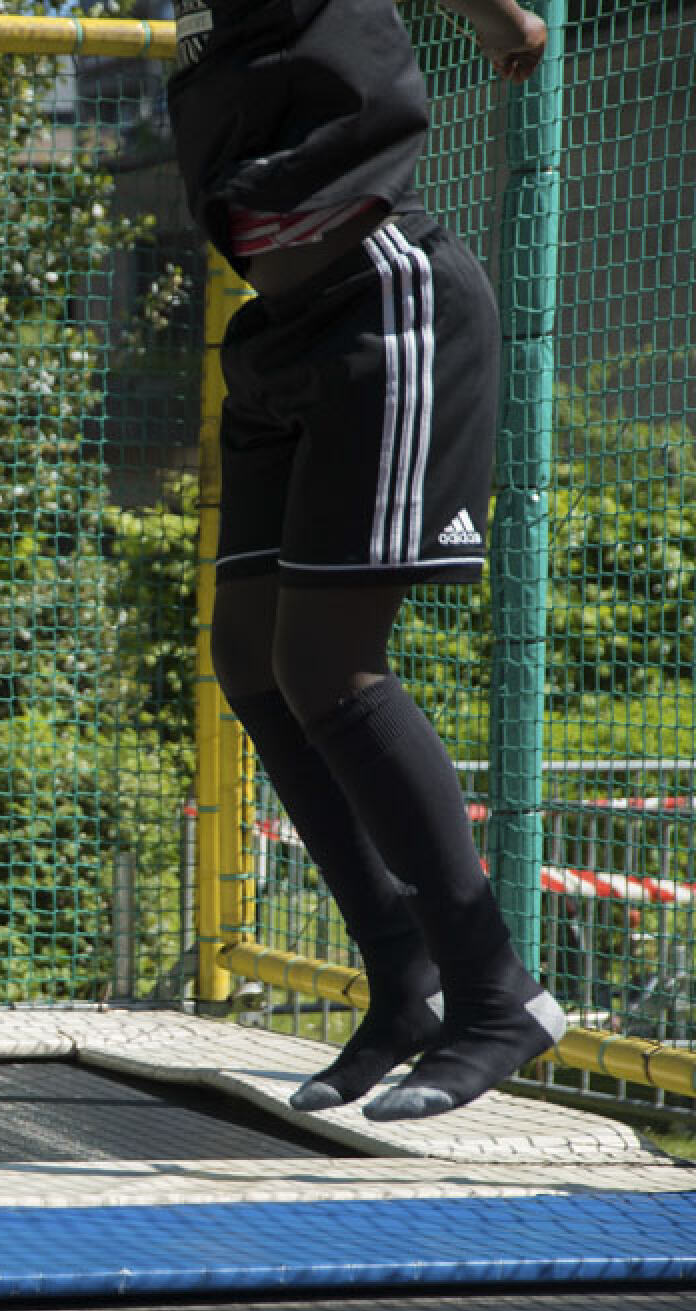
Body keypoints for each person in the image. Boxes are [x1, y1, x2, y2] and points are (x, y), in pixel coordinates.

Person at [167, 0, 566, 1120]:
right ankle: (405, 978)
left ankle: (496, 992)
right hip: (276, 331)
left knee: (329, 666)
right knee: (249, 656)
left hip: (380, 303)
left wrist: (501, 18)